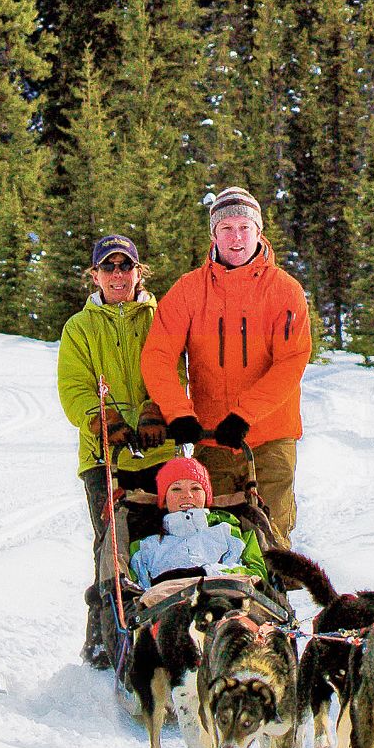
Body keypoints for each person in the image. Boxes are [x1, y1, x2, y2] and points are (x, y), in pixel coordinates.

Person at [140, 186, 312, 538]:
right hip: (211, 436)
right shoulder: (189, 290)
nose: (236, 238)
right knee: (212, 537)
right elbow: (157, 356)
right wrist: (178, 412)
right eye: (227, 228)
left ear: (259, 232)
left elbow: (290, 364)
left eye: (245, 228)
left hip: (271, 437)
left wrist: (245, 414)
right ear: (213, 234)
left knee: (272, 539)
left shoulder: (285, 290)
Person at [58, 233, 176, 667]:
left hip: (159, 451)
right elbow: (73, 387)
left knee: (162, 539)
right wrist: (100, 419)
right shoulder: (79, 328)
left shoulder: (160, 317)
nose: (118, 275)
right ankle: (103, 640)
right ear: (95, 275)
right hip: (104, 457)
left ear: (138, 271)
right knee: (111, 546)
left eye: (125, 266)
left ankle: (163, 632)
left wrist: (156, 408)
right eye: (108, 267)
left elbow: (174, 367)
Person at [127, 456, 269, 587]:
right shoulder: (146, 545)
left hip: (225, 597)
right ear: (164, 500)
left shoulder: (230, 531)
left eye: (195, 488)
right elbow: (136, 590)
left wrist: (207, 573)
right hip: (166, 603)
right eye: (176, 489)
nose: (187, 495)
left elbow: (257, 575)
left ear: (206, 496)